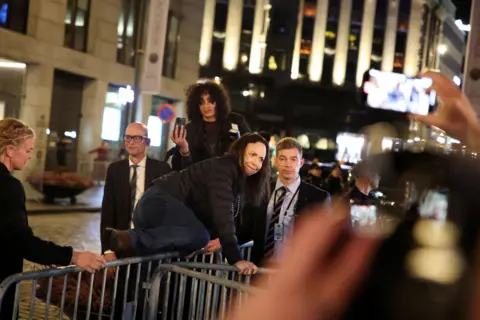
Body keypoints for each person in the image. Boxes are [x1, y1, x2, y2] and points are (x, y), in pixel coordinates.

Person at [108, 133, 271, 274]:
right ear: (240, 151)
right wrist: (236, 259)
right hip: (159, 202)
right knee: (200, 235)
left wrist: (187, 244)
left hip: (162, 208)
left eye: (261, 159)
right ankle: (130, 238)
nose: (256, 162)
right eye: (252, 154)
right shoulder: (224, 168)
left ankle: (125, 249)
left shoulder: (236, 178)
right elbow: (223, 215)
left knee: (151, 274)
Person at [0, 118, 105, 320]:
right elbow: (22, 242)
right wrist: (74, 256)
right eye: (28, 150)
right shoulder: (9, 187)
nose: (30, 156)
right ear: (11, 150)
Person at [235, 137, 330, 265]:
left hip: (295, 272)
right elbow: (247, 228)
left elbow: (325, 241)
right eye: (282, 158)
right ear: (275, 162)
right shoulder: (262, 190)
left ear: (301, 163)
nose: (288, 164)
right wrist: (225, 240)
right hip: (260, 268)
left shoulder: (319, 198)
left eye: (293, 159)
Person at [170, 80, 250, 170]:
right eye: (201, 102)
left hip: (231, 179)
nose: (206, 106)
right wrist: (184, 149)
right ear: (196, 106)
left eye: (210, 101)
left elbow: (251, 150)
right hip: (199, 181)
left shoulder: (236, 121)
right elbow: (179, 169)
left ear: (218, 102)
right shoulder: (189, 130)